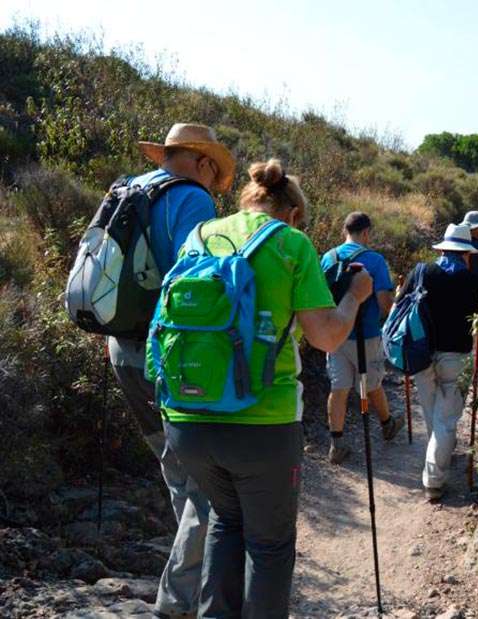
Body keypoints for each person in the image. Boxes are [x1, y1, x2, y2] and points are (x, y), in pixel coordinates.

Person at [164, 159, 373, 618]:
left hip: (187, 419)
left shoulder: (198, 236)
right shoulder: (291, 244)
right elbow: (326, 336)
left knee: (225, 520)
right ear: (293, 213)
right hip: (263, 425)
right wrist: (354, 297)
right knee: (270, 545)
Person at [108, 122, 235, 618]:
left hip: (121, 350)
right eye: (213, 171)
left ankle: (193, 575)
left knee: (175, 471)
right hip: (168, 356)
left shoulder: (130, 188)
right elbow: (194, 283)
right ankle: (176, 602)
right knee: (206, 487)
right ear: (203, 162)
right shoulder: (193, 199)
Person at [400, 224, 478, 502]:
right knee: (446, 420)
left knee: (433, 413)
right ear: (466, 254)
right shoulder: (473, 281)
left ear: (442, 249)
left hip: (420, 353)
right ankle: (434, 481)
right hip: (455, 357)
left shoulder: (422, 272)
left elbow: (399, 307)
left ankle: (438, 457)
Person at [321, 212, 403, 464]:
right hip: (366, 334)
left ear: (345, 231)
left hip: (335, 333)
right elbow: (385, 303)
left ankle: (336, 444)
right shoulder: (375, 260)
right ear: (366, 232)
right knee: (371, 383)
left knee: (339, 386)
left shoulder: (328, 257)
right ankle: (387, 424)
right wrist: (397, 297)